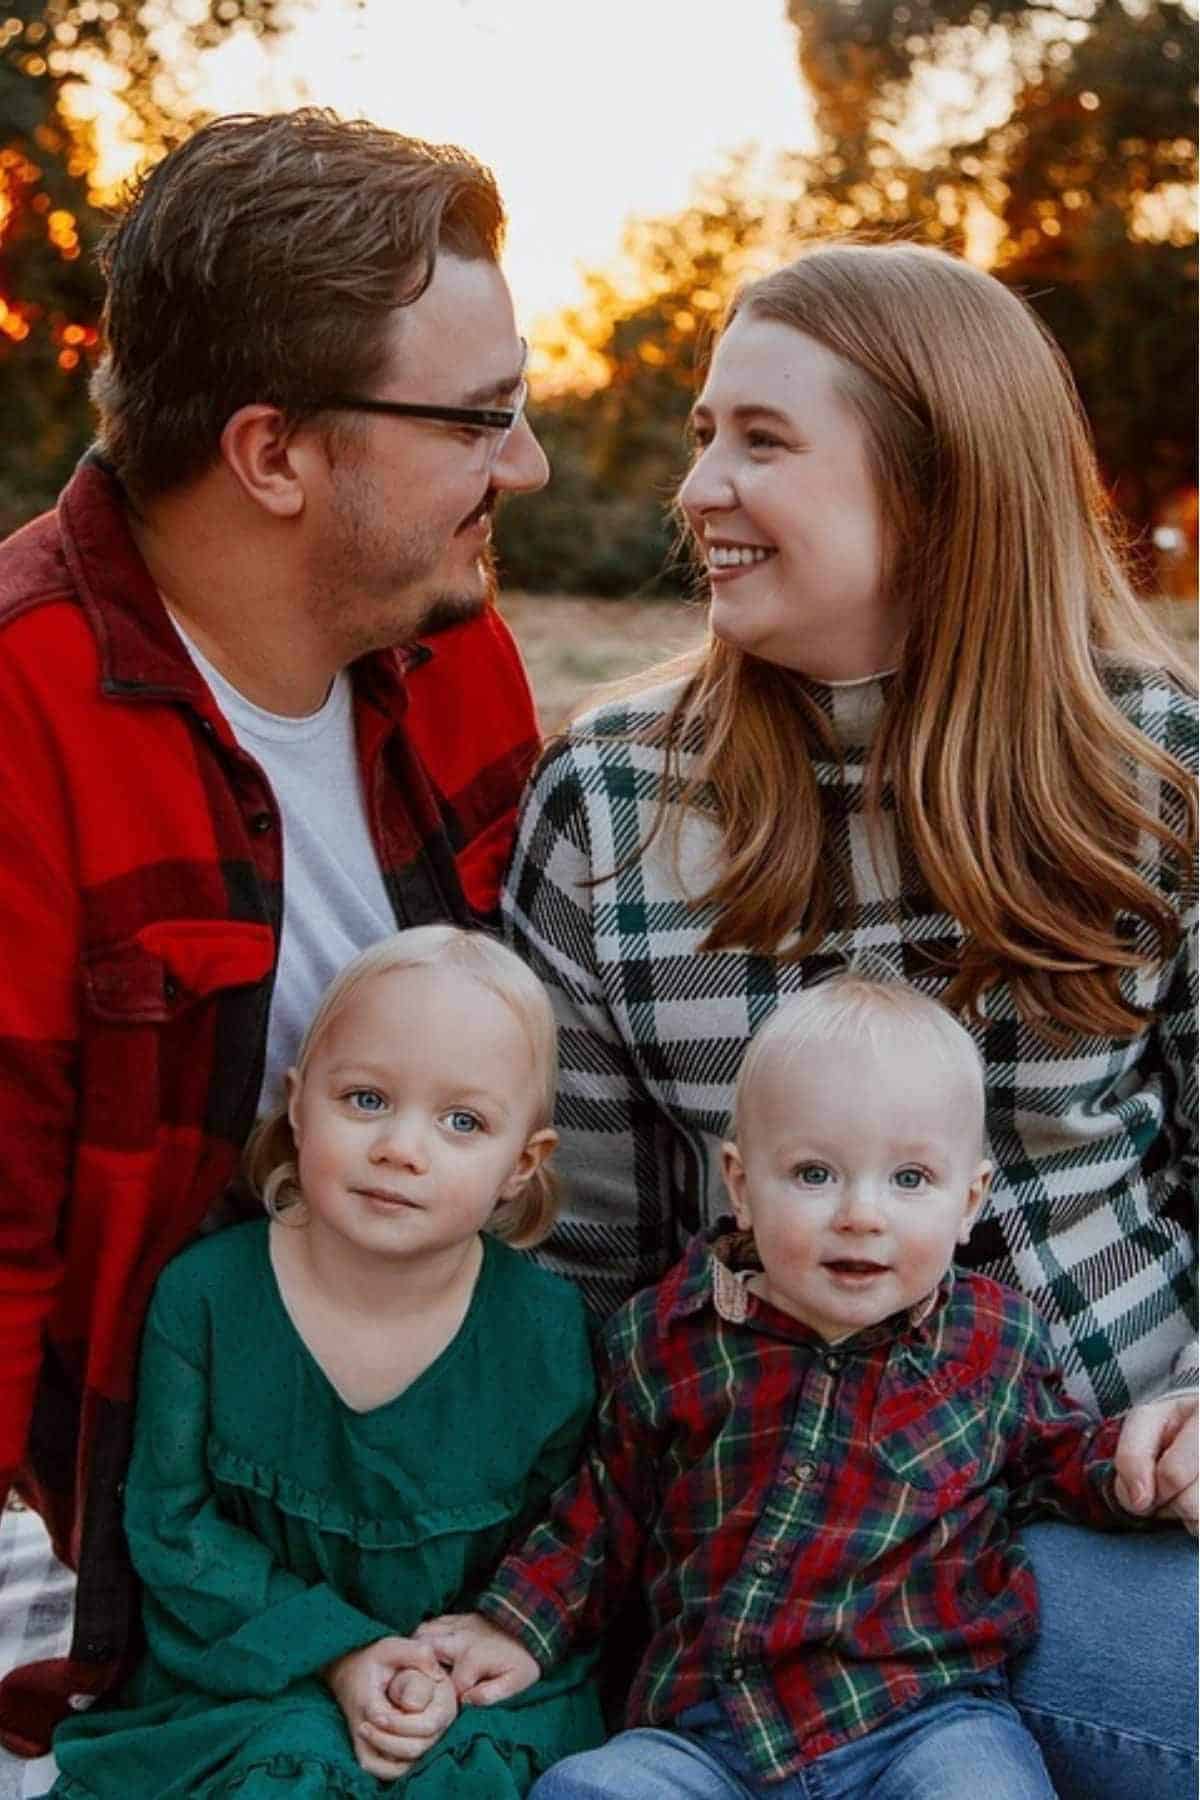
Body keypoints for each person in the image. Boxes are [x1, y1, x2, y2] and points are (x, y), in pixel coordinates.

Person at [500, 242, 1197, 1797]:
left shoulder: (1159, 775)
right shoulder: (611, 807)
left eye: (762, 440)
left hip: (1110, 1490)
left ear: (938, 484)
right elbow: (575, 1271)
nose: (698, 492)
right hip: (789, 1539)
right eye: (701, 436)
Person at [0, 107, 549, 1759]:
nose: (520, 465)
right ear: (274, 453)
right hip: (164, 1566)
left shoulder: (458, 656)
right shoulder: (21, 726)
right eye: (479, 419)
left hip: (475, 1530)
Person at [417, 975, 1184, 1799]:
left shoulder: (991, 1341)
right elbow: (605, 1509)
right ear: (742, 1186)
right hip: (710, 1732)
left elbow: (1056, 1457)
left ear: (970, 1203)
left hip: (922, 1717)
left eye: (910, 1181)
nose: (861, 1213)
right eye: (815, 1175)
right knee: (587, 1789)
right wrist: (518, 1625)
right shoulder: (670, 1337)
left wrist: (1138, 1468)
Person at [47, 926, 603, 1798]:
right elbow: (172, 1527)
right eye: (367, 1100)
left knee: (476, 1775)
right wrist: (339, 1649)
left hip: (458, 1669)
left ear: (520, 1167)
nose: (401, 1149)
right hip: (257, 1660)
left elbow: (572, 1525)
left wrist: (481, 1646)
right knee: (290, 1769)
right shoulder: (206, 1298)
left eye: (463, 1122)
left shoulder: (545, 1329)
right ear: (298, 1105)